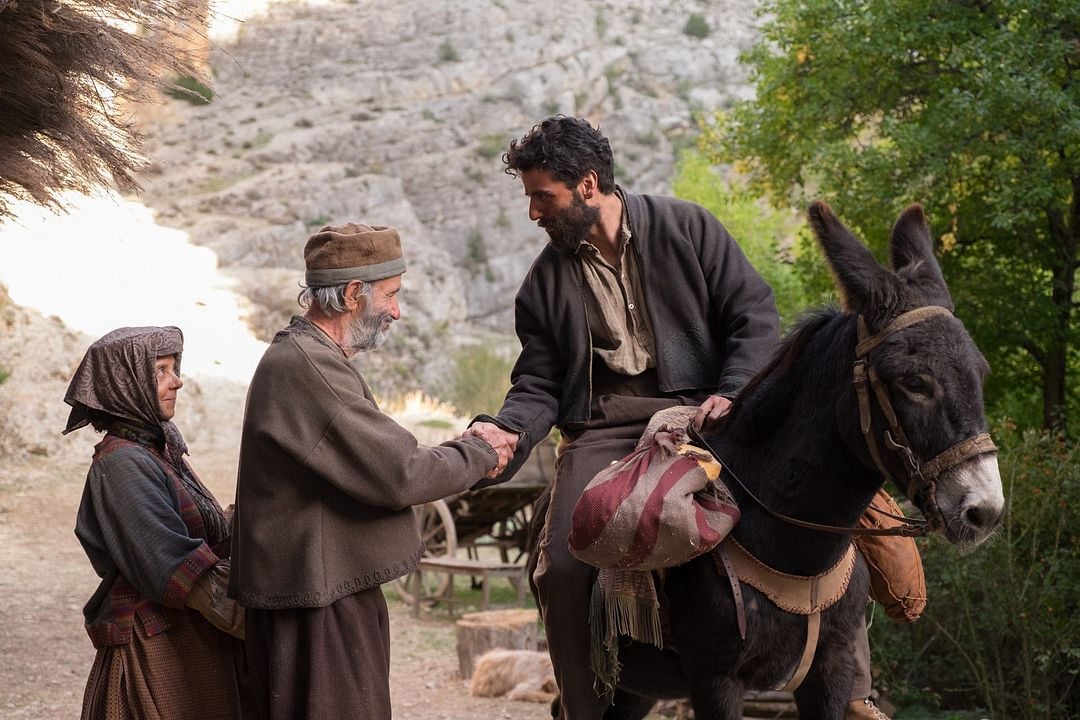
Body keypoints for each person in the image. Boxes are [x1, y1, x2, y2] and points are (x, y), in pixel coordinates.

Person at [466, 115, 889, 720]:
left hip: (713, 409)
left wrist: (735, 391)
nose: (533, 212)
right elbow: (537, 382)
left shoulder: (689, 227)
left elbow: (752, 313)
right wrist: (508, 429)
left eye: (543, 196)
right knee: (560, 568)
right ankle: (584, 710)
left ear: (588, 185)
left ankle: (851, 693)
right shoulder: (543, 282)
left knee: (833, 507)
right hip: (605, 426)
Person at [228, 222, 514, 720]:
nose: (397, 312)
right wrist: (480, 451)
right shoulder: (306, 367)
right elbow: (401, 472)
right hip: (317, 602)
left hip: (322, 588)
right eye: (392, 295)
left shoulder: (306, 358)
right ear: (353, 294)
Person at [63, 326, 248, 720]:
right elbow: (173, 562)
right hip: (155, 653)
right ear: (125, 384)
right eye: (161, 371)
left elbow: (208, 530)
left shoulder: (155, 451)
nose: (176, 381)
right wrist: (263, 623)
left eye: (173, 368)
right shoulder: (122, 463)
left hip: (188, 640)